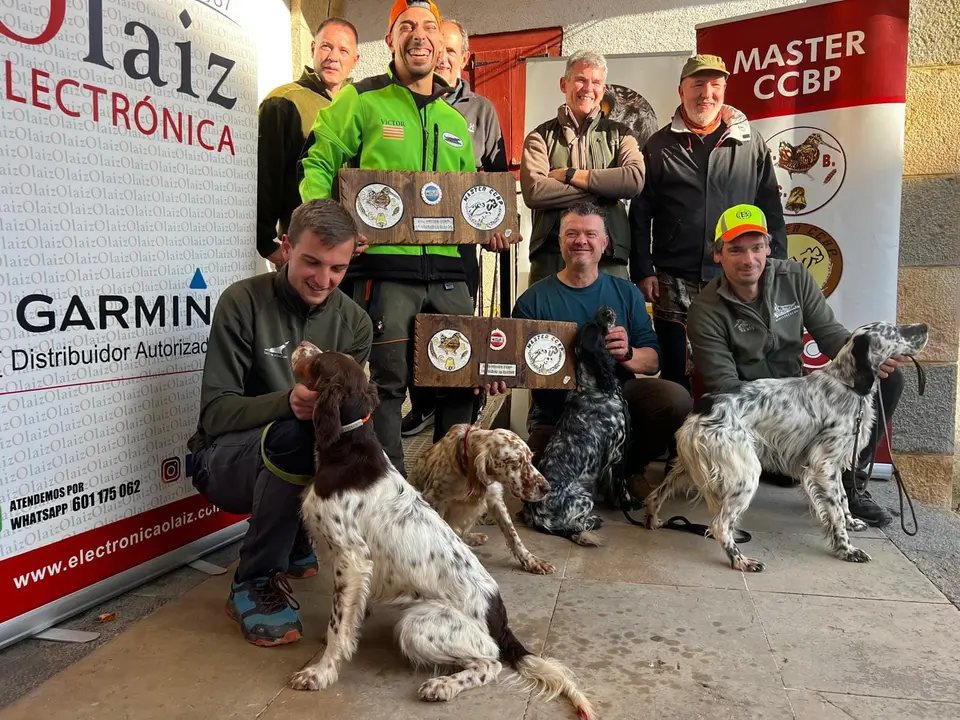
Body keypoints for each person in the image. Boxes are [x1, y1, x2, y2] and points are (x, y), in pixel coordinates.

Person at [298, 0, 513, 476]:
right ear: (391, 40)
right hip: (385, 272)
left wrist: (491, 228)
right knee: (388, 387)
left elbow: (472, 201)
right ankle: (396, 500)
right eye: (407, 27)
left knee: (461, 383)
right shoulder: (361, 99)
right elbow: (317, 164)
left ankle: (447, 497)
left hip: (452, 272)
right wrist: (332, 228)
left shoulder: (456, 122)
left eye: (429, 27)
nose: (419, 35)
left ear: (441, 43)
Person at [188, 200, 372, 646]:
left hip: (301, 458)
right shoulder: (242, 301)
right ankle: (253, 581)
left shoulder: (356, 323)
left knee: (336, 440)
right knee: (294, 433)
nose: (323, 279)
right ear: (286, 247)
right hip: (223, 462)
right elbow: (215, 413)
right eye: (311, 261)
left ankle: (296, 538)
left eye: (337, 268)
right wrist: (287, 402)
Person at [686, 203, 904, 527]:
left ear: (768, 247)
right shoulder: (704, 309)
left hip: (798, 399)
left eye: (756, 247)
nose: (749, 260)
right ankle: (785, 465)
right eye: (736, 250)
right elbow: (724, 386)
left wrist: (869, 358)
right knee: (784, 474)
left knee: (889, 378)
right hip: (755, 416)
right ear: (718, 255)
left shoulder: (794, 276)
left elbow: (831, 336)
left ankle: (850, 483)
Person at [629, 54, 786, 393]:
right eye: (698, 84)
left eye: (715, 85)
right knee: (675, 375)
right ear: (681, 90)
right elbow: (641, 213)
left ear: (725, 90)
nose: (707, 94)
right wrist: (643, 269)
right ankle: (677, 444)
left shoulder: (749, 142)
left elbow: (771, 209)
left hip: (738, 277)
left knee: (739, 370)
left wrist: (776, 266)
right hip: (674, 278)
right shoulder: (657, 146)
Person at [512, 201, 693, 483]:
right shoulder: (533, 300)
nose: (581, 241)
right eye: (571, 234)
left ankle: (628, 469)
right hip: (556, 414)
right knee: (540, 490)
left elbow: (654, 360)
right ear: (560, 241)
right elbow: (513, 364)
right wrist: (498, 377)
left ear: (605, 243)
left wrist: (628, 353)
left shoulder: (627, 293)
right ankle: (598, 475)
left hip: (617, 403)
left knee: (674, 400)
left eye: (590, 234)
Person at [401, 16, 509, 438]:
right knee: (410, 331)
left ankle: (456, 416)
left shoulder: (481, 111)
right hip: (405, 249)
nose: (442, 57)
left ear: (464, 58)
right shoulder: (401, 102)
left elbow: (497, 178)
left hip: (459, 248)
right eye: (437, 48)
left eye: (451, 50)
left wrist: (497, 225)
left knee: (454, 332)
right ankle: (422, 405)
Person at [520, 49, 645, 285]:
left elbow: (634, 180)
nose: (588, 88)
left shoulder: (621, 135)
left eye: (596, 82)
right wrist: (606, 187)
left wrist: (570, 176)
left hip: (610, 259)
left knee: (612, 322)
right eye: (580, 80)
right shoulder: (540, 137)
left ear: (603, 90)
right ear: (563, 83)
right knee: (547, 323)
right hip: (551, 257)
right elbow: (535, 191)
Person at [256, 17, 360, 268]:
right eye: (326, 46)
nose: (333, 57)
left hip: (353, 256)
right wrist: (267, 244)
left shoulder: (361, 104)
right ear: (313, 49)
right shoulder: (284, 101)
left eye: (343, 50)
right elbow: (265, 173)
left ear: (355, 59)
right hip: (305, 250)